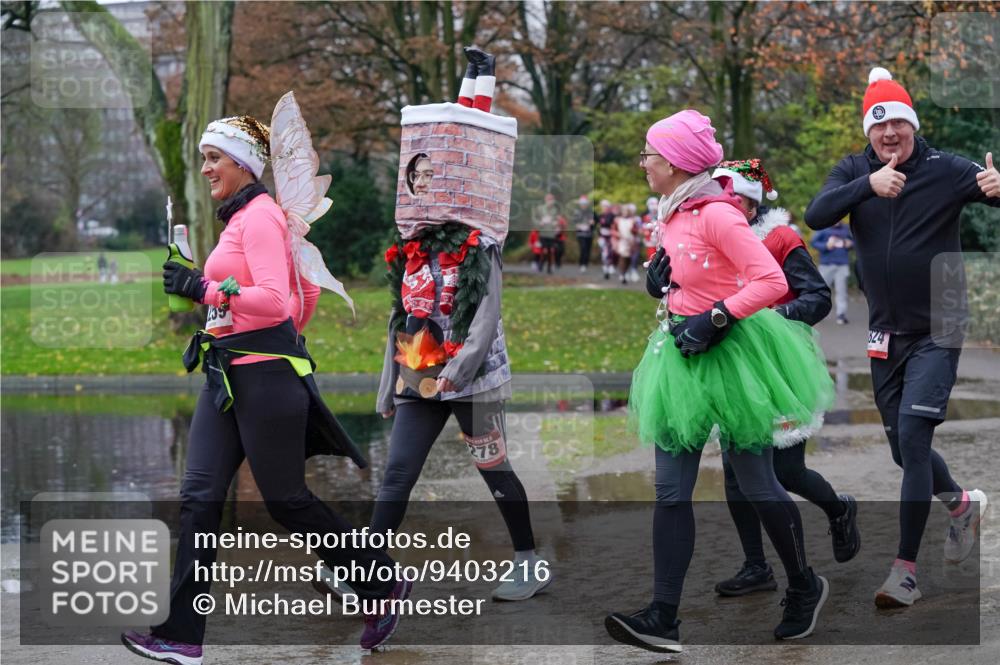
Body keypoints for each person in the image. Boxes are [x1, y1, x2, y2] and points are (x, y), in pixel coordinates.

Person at [122, 106, 410, 665]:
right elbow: (279, 301)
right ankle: (181, 635)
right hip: (224, 374)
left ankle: (380, 581)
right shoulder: (240, 219)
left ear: (245, 164)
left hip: (263, 377)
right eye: (204, 158)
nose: (206, 169)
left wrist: (202, 288)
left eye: (214, 159)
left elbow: (278, 305)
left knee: (286, 502)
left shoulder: (260, 217)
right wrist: (201, 289)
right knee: (199, 499)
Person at [605, 110, 834, 654]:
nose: (643, 163)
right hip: (679, 359)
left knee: (757, 484)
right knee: (669, 491)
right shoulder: (673, 213)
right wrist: (658, 282)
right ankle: (663, 616)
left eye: (649, 155)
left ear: (677, 162)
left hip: (733, 358)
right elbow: (688, 275)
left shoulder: (717, 213)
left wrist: (715, 318)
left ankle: (804, 584)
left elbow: (770, 281)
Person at [805, 67, 999, 608]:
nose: (889, 134)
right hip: (883, 331)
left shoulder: (945, 169)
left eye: (898, 124)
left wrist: (997, 187)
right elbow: (816, 215)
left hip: (940, 325)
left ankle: (905, 572)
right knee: (901, 448)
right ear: (868, 132)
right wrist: (868, 184)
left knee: (914, 440)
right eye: (878, 126)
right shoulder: (854, 171)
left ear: (912, 125)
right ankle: (961, 505)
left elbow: (993, 196)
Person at [366, 47, 548, 606]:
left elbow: (487, 317)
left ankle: (529, 561)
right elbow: (400, 316)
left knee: (493, 468)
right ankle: (367, 568)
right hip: (419, 372)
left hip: (471, 382)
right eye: (416, 176)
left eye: (431, 176)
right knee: (397, 474)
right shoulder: (412, 248)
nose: (422, 182)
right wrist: (388, 386)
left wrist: (459, 372)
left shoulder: (479, 245)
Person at [711, 158, 860, 598]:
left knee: (787, 471)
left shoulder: (780, 238)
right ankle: (756, 567)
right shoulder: (718, 238)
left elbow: (817, 297)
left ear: (751, 200)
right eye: (719, 193)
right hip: (735, 367)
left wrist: (774, 317)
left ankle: (838, 510)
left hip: (782, 364)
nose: (723, 201)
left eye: (732, 193)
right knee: (735, 475)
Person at [811, 220, 854, 324]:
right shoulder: (823, 227)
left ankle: (841, 314)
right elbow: (814, 242)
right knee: (821, 290)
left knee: (842, 290)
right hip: (826, 265)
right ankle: (816, 313)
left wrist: (850, 244)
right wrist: (826, 246)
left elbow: (855, 242)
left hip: (842, 264)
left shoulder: (846, 228)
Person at [533, 193, 561, 274]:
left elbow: (557, 220)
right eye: (549, 199)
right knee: (543, 250)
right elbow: (535, 219)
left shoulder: (555, 210)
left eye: (552, 200)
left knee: (550, 250)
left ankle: (549, 268)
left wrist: (556, 224)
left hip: (551, 234)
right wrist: (540, 223)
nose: (550, 201)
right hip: (543, 233)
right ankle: (540, 265)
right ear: (545, 200)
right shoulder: (540, 209)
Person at [572, 195, 595, 272]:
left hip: (589, 234)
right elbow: (574, 222)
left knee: (588, 250)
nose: (583, 205)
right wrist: (579, 226)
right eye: (582, 204)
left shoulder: (591, 212)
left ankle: (585, 264)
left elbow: (597, 220)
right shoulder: (577, 212)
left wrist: (592, 223)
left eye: (585, 204)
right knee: (583, 248)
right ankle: (582, 264)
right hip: (581, 234)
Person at [596, 200, 616, 280]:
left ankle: (610, 265)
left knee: (611, 252)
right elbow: (599, 226)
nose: (604, 208)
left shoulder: (612, 215)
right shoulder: (601, 215)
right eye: (603, 207)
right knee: (604, 253)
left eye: (606, 206)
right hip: (602, 236)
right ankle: (605, 268)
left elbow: (611, 224)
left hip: (610, 236)